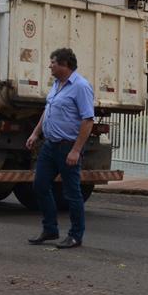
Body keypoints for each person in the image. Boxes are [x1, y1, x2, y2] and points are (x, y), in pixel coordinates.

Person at [25, 48, 94, 249]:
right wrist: (35, 133)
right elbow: (48, 111)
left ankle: (75, 235)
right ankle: (50, 229)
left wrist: (76, 150)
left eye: (53, 62)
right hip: (50, 146)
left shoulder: (80, 86)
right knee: (39, 185)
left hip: (68, 147)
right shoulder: (56, 84)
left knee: (72, 193)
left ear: (64, 64)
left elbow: (88, 120)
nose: (50, 66)